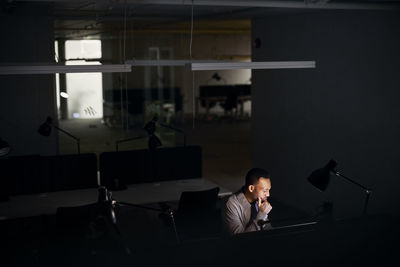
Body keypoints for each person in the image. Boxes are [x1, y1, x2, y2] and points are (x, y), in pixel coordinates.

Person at [223, 168, 272, 235]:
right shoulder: (232, 204)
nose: (268, 194)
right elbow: (240, 239)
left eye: (269, 190)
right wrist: (262, 215)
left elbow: (268, 230)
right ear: (251, 188)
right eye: (264, 191)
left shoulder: (260, 200)